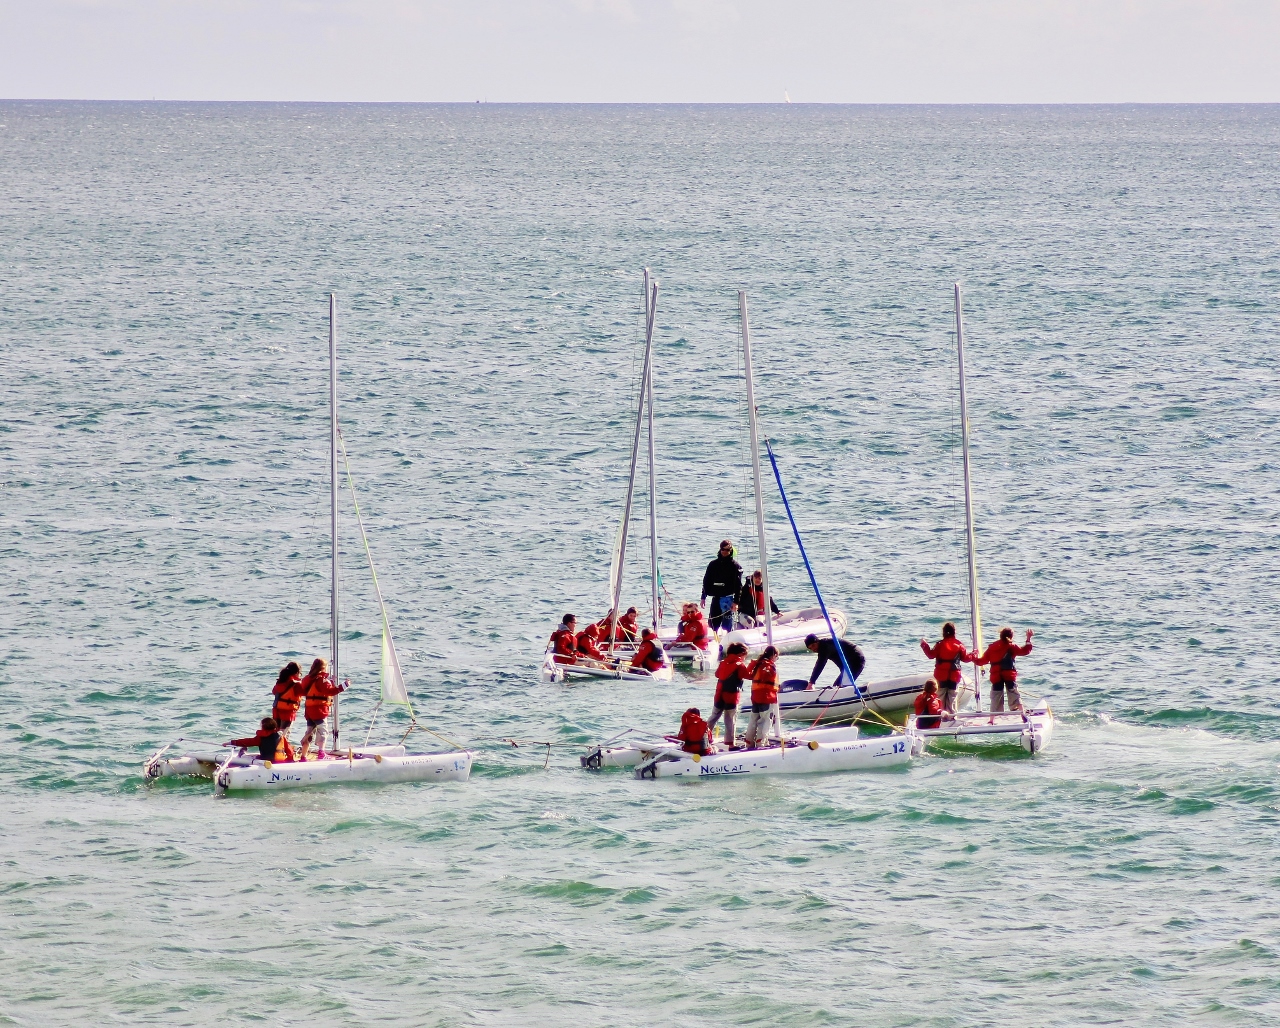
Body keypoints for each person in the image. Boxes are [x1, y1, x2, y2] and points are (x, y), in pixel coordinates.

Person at [920, 622, 976, 713]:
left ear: (944, 632)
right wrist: (974, 654)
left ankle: (940, 717)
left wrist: (924, 645)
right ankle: (952, 717)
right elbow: (966, 658)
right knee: (952, 698)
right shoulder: (959, 645)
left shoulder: (940, 644)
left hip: (941, 675)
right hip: (954, 676)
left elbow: (930, 655)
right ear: (954, 632)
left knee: (940, 697)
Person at [975, 627, 1034, 713]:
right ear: (1011, 636)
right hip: (1009, 675)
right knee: (1014, 694)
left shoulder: (992, 648)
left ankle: (993, 719)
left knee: (996, 698)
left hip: (996, 675)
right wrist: (1028, 638)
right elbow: (1025, 651)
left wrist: (973, 656)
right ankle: (1018, 711)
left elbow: (981, 662)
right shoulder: (1011, 646)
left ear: (1000, 635)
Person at [298, 658, 346, 761]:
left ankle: (303, 756)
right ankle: (321, 754)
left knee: (309, 732)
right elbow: (330, 692)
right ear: (324, 668)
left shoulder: (308, 678)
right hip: (319, 710)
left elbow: (317, 689)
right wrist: (344, 685)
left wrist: (330, 682)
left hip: (309, 710)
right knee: (323, 731)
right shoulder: (321, 680)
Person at [706, 642, 749, 748]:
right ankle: (730, 744)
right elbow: (749, 676)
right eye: (745, 655)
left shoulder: (723, 662)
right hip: (731, 696)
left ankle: (704, 737)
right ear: (741, 653)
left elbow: (717, 674)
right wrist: (753, 665)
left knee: (713, 717)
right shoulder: (740, 665)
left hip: (719, 694)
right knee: (730, 720)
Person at [701, 539, 743, 633]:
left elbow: (738, 586)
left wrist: (736, 602)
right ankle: (715, 641)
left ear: (731, 551)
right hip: (716, 598)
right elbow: (706, 581)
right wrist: (703, 597)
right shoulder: (713, 564)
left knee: (727, 626)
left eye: (727, 550)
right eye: (723, 549)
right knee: (713, 624)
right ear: (720, 550)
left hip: (728, 599)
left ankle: (729, 643)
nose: (725, 552)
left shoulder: (736, 566)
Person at [744, 645, 782, 749]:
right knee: (765, 720)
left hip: (755, 696)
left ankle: (749, 742)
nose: (776, 660)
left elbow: (749, 676)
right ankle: (761, 742)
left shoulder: (758, 664)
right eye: (776, 657)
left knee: (753, 719)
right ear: (774, 655)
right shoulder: (769, 666)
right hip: (766, 696)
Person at [228, 716, 295, 764]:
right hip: (280, 761)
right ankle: (243, 754)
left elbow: (247, 742)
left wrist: (231, 742)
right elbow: (290, 752)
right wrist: (288, 761)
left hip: (265, 761)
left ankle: (242, 755)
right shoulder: (281, 737)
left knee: (251, 757)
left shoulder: (260, 738)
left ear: (263, 727)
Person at [270, 661, 304, 742]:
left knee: (277, 732)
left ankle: (274, 750)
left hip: (276, 710)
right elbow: (306, 693)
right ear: (297, 672)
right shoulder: (296, 684)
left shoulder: (279, 682)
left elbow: (274, 691)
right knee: (284, 734)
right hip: (288, 712)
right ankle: (281, 751)